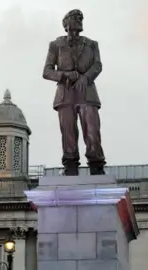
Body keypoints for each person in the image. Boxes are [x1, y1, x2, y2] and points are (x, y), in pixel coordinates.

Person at [42, 9, 106, 176]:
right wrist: (64, 75)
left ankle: (96, 164)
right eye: (75, 17)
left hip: (87, 93)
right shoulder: (56, 45)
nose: (79, 19)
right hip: (66, 93)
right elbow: (47, 71)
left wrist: (86, 78)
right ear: (66, 24)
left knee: (92, 129)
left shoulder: (92, 44)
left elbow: (98, 65)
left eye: (80, 18)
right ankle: (70, 165)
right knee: (68, 131)